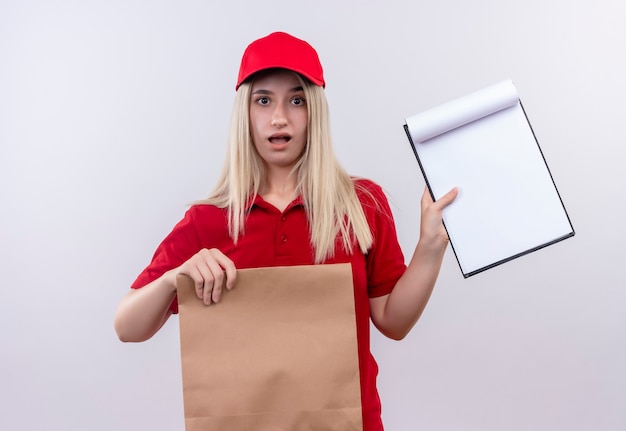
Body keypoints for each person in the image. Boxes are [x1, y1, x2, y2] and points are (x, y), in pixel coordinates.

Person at [114, 31, 457, 430]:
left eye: (296, 100)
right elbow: (127, 326)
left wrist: (431, 247)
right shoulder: (208, 221)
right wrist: (175, 278)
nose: (280, 117)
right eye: (264, 101)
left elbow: (393, 322)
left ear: (315, 111)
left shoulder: (361, 204)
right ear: (245, 113)